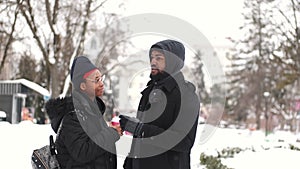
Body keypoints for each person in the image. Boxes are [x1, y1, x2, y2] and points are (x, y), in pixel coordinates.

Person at [119, 39, 200, 169]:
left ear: (173, 61)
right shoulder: (149, 90)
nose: (153, 62)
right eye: (151, 57)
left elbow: (184, 141)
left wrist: (140, 129)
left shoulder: (186, 95)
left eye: (159, 58)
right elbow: (141, 136)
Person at [45, 56, 122, 169]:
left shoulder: (92, 111)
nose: (101, 84)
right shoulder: (72, 116)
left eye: (101, 78)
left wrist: (110, 131)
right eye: (96, 80)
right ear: (83, 86)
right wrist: (110, 133)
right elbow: (82, 151)